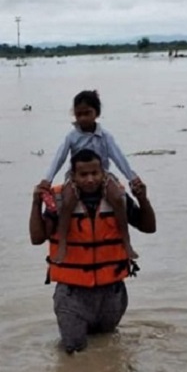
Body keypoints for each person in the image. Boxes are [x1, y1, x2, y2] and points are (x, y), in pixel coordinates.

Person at [29, 149, 156, 354]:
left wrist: (143, 199)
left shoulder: (118, 198)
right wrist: (36, 203)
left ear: (103, 173)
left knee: (107, 348)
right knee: (72, 350)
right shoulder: (59, 200)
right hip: (72, 294)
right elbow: (37, 238)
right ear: (73, 175)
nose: (90, 180)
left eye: (95, 173)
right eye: (83, 175)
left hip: (111, 293)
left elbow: (149, 227)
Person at [37, 90, 144, 265]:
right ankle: (62, 242)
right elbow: (59, 157)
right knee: (68, 201)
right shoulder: (72, 137)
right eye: (79, 114)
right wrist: (47, 179)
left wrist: (132, 178)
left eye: (88, 113)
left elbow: (118, 157)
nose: (83, 118)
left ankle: (126, 241)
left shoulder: (105, 136)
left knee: (117, 198)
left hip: (102, 175)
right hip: (76, 177)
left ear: (97, 113)